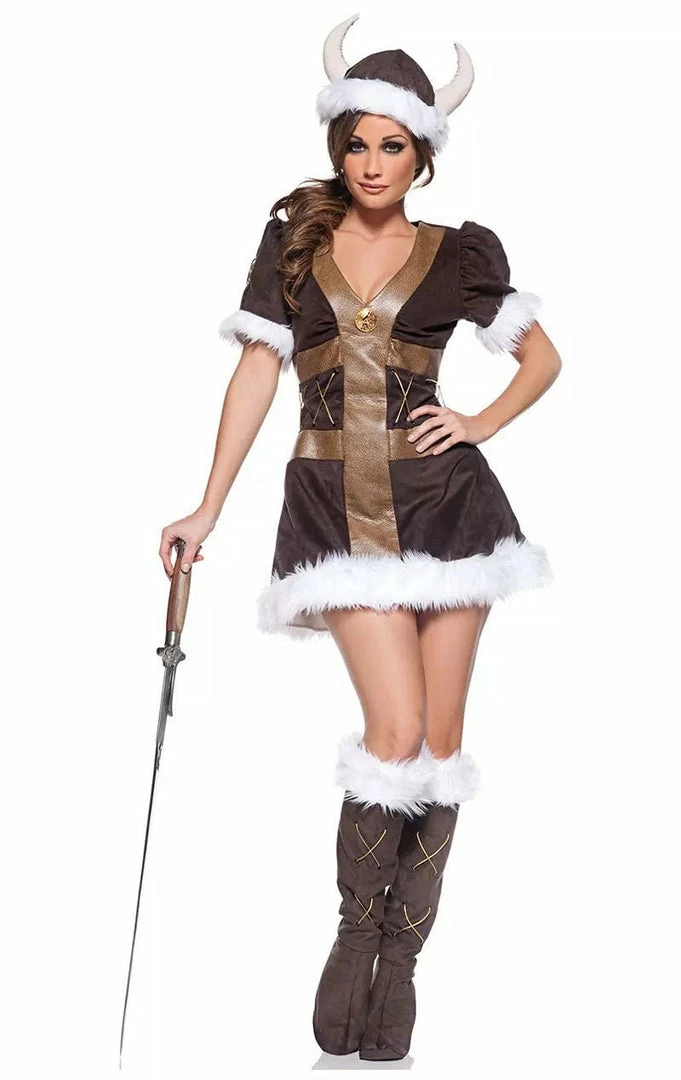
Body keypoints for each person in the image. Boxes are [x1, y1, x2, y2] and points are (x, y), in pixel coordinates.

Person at [159, 14, 561, 1062]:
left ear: (422, 154)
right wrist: (206, 507)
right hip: (334, 511)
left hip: (451, 511)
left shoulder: (458, 252)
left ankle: (401, 969)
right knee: (392, 732)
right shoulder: (293, 239)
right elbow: (256, 374)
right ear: (336, 145)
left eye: (392, 145)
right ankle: (354, 942)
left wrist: (476, 422)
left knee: (437, 746)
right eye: (356, 143)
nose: (371, 163)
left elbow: (542, 360)